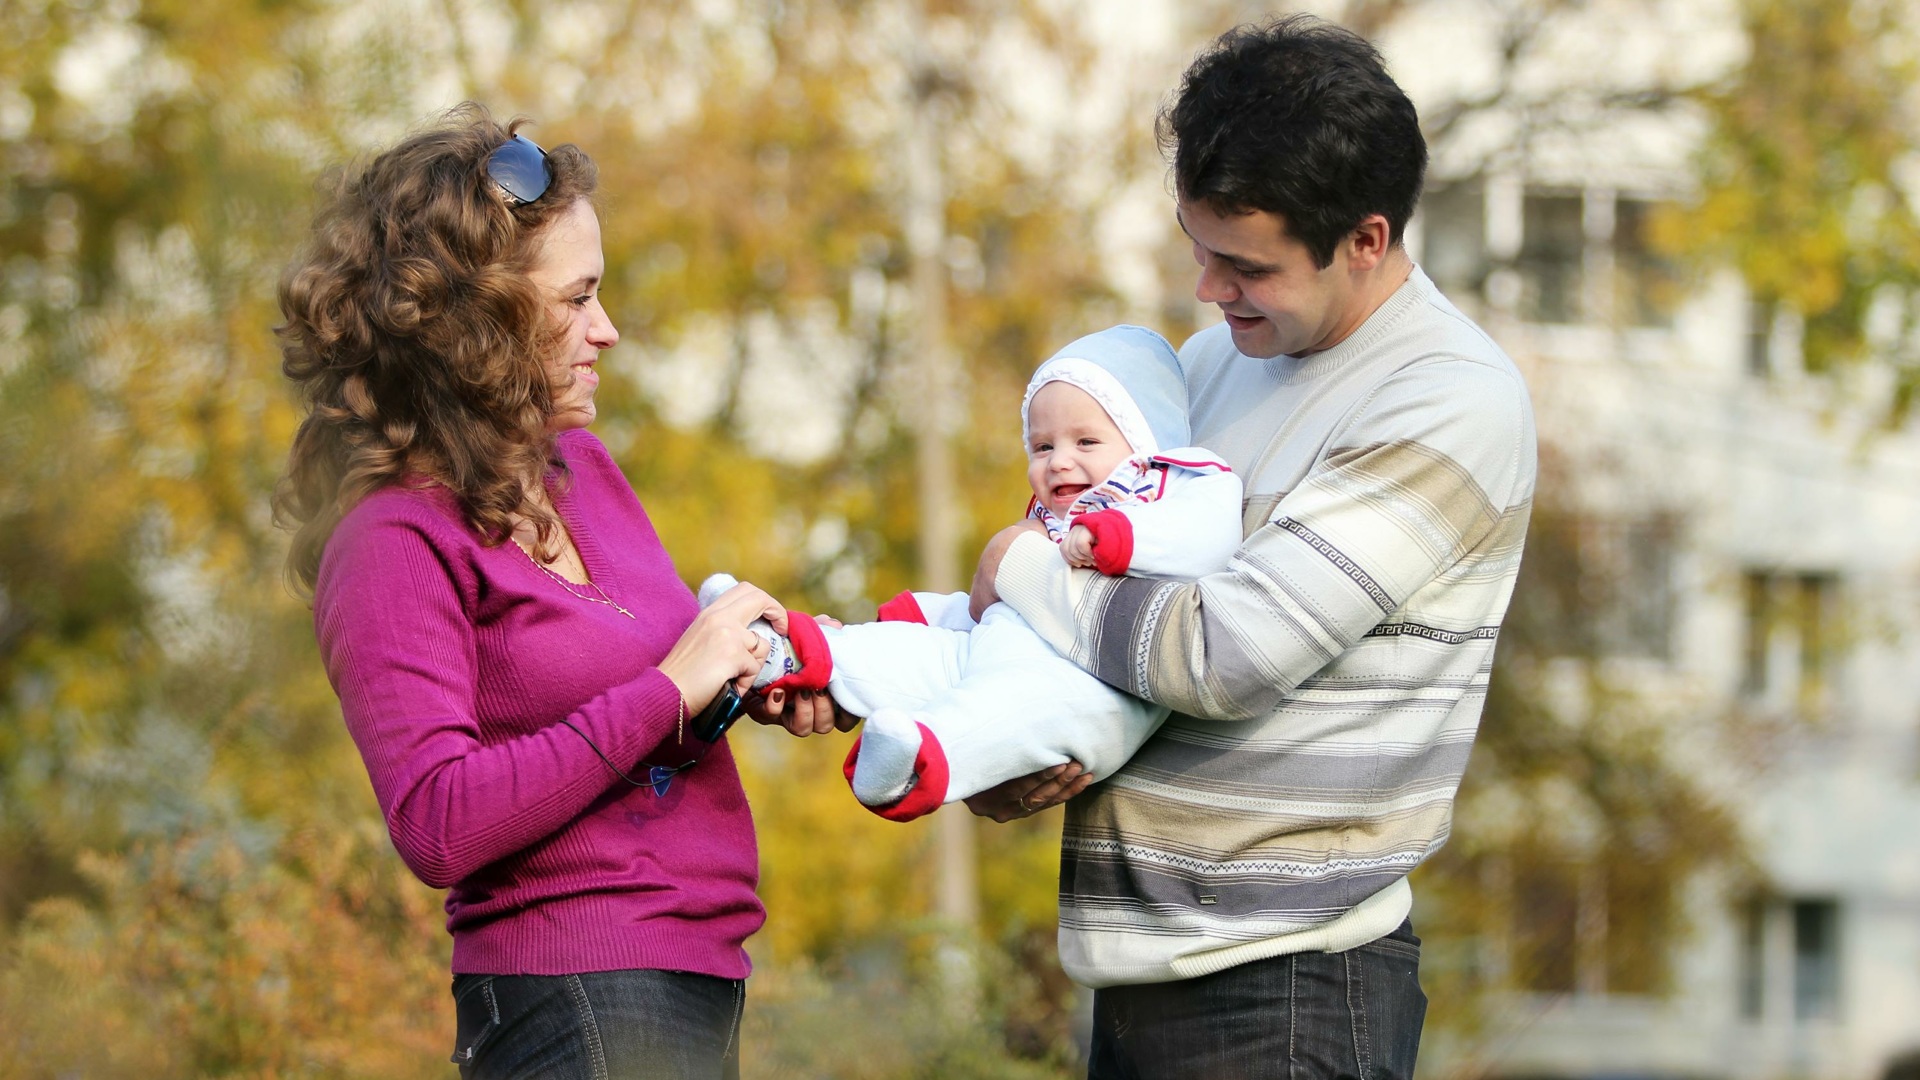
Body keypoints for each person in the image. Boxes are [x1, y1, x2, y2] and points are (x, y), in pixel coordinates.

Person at [967, 16, 1538, 1079]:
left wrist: (1015, 567)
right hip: (1143, 967)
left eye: (1246, 264)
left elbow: (1221, 655)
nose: (1210, 291)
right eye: (1200, 251)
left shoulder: (1447, 400)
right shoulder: (1207, 368)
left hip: (1286, 991)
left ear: (1365, 240)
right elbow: (1105, 631)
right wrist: (1021, 745)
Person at [273, 107, 832, 1080]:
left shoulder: (580, 469)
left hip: (693, 968)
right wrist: (670, 688)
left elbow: (629, 719)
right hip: (571, 994)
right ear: (475, 327)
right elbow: (438, 820)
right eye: (575, 301)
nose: (606, 331)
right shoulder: (390, 542)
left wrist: (733, 687)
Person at [711, 325, 1242, 821]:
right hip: (996, 649)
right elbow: (994, 606)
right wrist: (920, 618)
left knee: (999, 712)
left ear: (1142, 441)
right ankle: (785, 650)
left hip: (1090, 684)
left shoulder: (1175, 483)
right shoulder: (1050, 521)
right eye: (1042, 446)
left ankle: (913, 759)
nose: (1058, 461)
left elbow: (1205, 532)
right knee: (918, 663)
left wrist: (1117, 540)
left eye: (1085, 442)